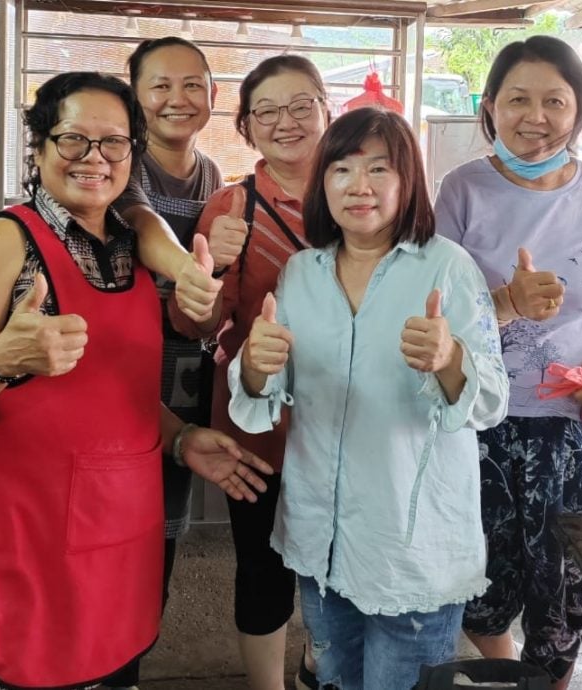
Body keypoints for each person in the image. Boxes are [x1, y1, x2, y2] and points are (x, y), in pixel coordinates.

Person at [0, 71, 272, 690]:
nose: (94, 158)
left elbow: (117, 395)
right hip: (20, 541)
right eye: (73, 140)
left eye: (113, 143)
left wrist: (182, 438)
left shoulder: (129, 246)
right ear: (40, 147)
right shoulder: (1, 245)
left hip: (118, 538)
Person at [227, 106, 509, 690]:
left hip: (409, 549)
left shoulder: (447, 268)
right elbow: (266, 396)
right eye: (342, 169)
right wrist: (254, 368)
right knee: (334, 679)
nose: (359, 187)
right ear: (321, 181)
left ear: (408, 181)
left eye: (380, 169)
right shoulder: (301, 273)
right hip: (321, 540)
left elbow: (489, 404)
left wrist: (451, 359)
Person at [434, 36, 582, 689]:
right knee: (480, 594)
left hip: (572, 435)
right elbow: (428, 313)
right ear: (489, 107)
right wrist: (502, 301)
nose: (535, 115)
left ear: (577, 111)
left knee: (564, 609)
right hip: (477, 426)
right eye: (517, 99)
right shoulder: (459, 190)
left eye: (554, 100)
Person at [165, 54, 329, 690]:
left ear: (326, 110)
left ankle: (322, 662)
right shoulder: (231, 207)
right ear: (246, 127)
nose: (284, 122)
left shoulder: (367, 195)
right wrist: (203, 288)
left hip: (351, 421)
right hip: (261, 423)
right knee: (263, 564)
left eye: (300, 105)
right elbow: (199, 330)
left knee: (338, 561)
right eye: (266, 111)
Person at [104, 35, 224, 690]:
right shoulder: (121, 163)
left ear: (212, 95)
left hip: (185, 380)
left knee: (160, 538)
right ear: (136, 96)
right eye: (159, 85)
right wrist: (188, 271)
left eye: (192, 85)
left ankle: (128, 661)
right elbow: (143, 221)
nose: (176, 99)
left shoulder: (215, 179)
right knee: (109, 534)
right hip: (118, 376)